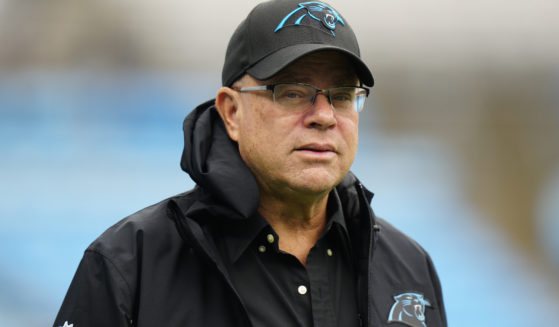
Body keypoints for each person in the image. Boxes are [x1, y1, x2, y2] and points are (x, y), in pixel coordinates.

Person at [54, 1, 447, 327]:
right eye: (293, 93)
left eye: (342, 95)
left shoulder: (408, 268)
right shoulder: (129, 266)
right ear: (231, 112)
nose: (325, 115)